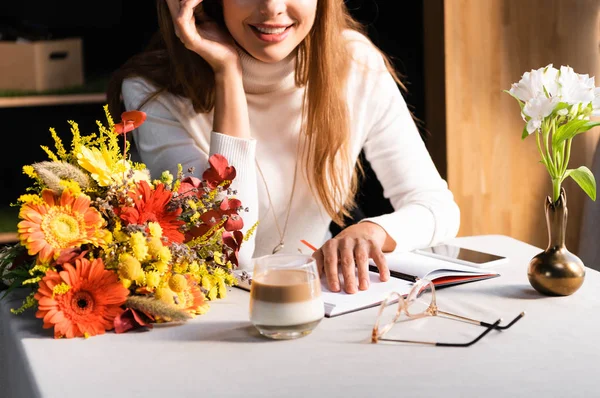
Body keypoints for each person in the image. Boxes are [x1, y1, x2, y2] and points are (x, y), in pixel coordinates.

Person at [106, 0, 461, 295]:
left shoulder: (355, 63)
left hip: (318, 305)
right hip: (209, 317)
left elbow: (437, 207)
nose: (273, 8)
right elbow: (228, 253)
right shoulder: (151, 93)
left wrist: (373, 232)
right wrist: (228, 73)